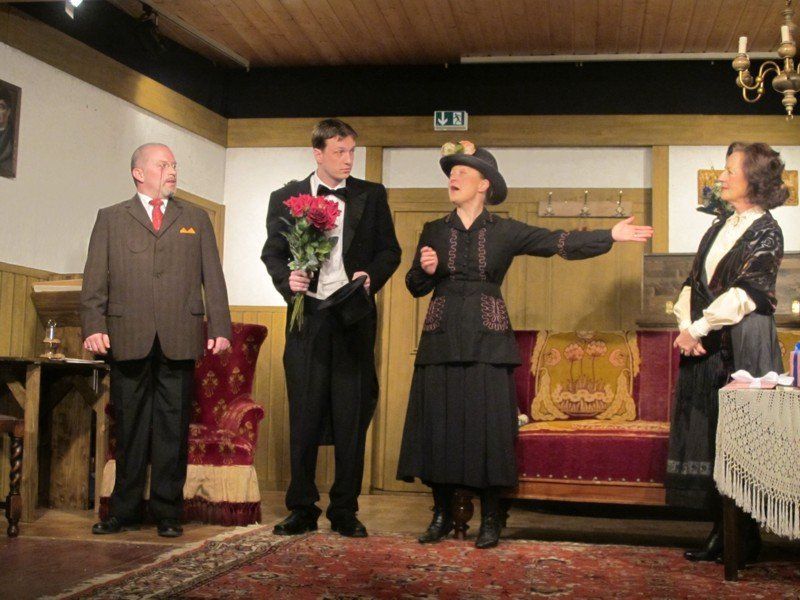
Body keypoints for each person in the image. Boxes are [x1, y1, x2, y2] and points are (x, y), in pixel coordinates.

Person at [396, 142, 653, 548]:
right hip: (441, 336)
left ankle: (491, 517)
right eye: (451, 172)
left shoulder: (505, 230)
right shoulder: (433, 229)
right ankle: (441, 514)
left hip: (488, 339)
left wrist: (610, 235)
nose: (453, 177)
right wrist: (426, 271)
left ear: (485, 184)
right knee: (438, 425)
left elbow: (559, 242)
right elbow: (414, 285)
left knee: (488, 429)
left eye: (462, 172)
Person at [81, 143, 231, 538]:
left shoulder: (195, 218)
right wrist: (93, 324)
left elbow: (213, 277)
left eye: (174, 165)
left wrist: (220, 327)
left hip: (179, 336)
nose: (172, 171)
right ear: (138, 172)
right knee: (129, 429)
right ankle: (124, 511)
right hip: (127, 335)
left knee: (172, 429)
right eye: (163, 165)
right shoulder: (111, 218)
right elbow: (94, 278)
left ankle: (168, 512)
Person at [262, 119, 401, 538]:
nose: (348, 159)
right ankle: (302, 508)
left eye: (352, 151)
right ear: (317, 153)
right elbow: (273, 253)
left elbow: (390, 251)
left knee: (350, 416)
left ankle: (344, 509)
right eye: (339, 151)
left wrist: (371, 276)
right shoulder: (285, 197)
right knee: (304, 416)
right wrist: (288, 279)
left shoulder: (371, 195)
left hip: (353, 317)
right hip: (308, 318)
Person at [667, 142, 787, 563]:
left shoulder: (767, 231)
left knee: (740, 439)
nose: (721, 176)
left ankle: (744, 536)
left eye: (729, 170)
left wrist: (699, 327)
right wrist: (686, 328)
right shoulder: (719, 226)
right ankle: (721, 530)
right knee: (710, 434)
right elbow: (692, 283)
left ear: (753, 179)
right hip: (704, 343)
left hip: (743, 343)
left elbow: (747, 294)